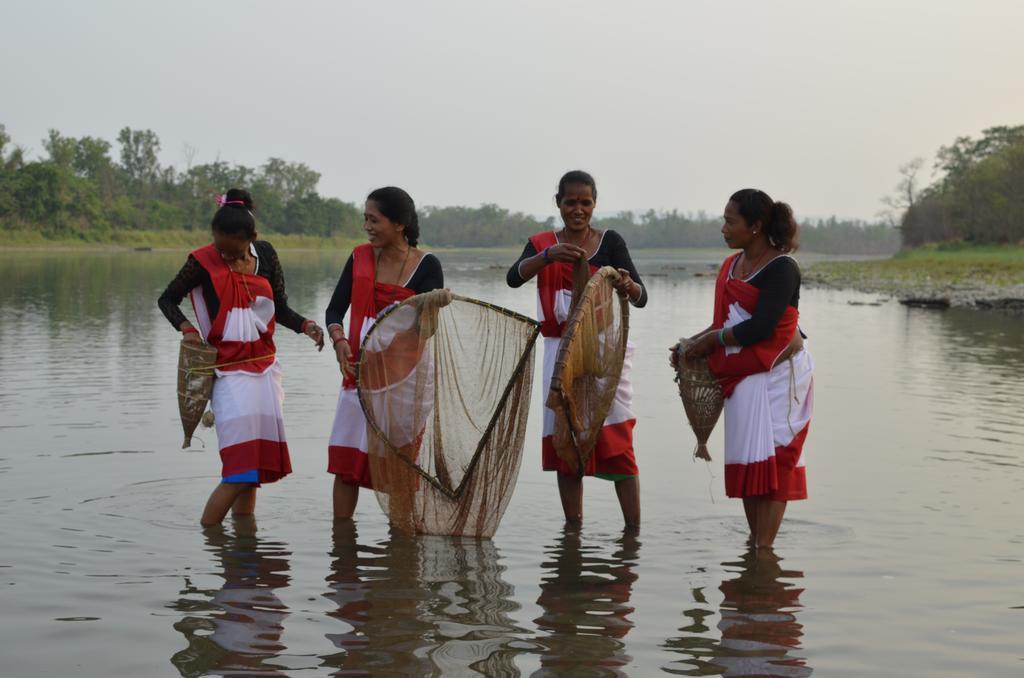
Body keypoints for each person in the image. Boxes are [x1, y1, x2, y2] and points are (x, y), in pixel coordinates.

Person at [158, 188, 324, 526]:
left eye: (230, 247)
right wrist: (188, 329)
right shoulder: (202, 260)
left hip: (265, 371)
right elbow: (167, 300)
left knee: (254, 472)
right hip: (229, 374)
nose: (224, 253)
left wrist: (305, 325)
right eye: (218, 244)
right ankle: (210, 537)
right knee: (239, 469)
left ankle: (244, 550)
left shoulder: (265, 255)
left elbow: (278, 306)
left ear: (250, 239)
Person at [506, 170, 647, 527]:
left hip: (604, 351)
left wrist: (628, 285)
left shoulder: (610, 241)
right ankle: (574, 528)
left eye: (585, 203)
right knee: (564, 438)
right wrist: (549, 257)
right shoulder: (542, 244)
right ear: (559, 203)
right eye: (571, 202)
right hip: (560, 350)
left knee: (617, 439)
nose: (578, 210)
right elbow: (514, 277)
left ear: (594, 204)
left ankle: (633, 531)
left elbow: (641, 296)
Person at [680, 188, 814, 549]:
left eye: (730, 221)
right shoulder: (730, 267)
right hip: (743, 376)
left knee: (778, 459)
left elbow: (762, 328)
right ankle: (757, 552)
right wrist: (689, 346)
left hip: (780, 375)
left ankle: (763, 552)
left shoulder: (782, 268)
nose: (723, 228)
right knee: (751, 458)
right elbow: (720, 323)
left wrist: (710, 343)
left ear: (755, 226)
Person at [325, 186, 444, 521]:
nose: (367, 227)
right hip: (358, 376)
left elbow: (427, 330)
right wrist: (339, 342)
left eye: (374, 220)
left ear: (399, 224)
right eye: (365, 219)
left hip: (404, 381)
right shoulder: (359, 257)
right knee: (346, 468)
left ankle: (401, 553)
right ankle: (342, 549)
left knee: (399, 471)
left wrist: (432, 310)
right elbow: (334, 310)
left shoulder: (426, 266)